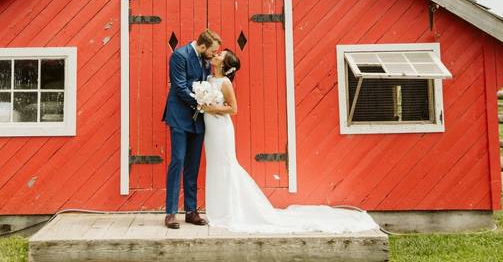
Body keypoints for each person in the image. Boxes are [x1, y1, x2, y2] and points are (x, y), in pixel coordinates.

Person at [200, 48, 380, 233]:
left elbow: (233, 109)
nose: (216, 55)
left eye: (220, 55)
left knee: (226, 165)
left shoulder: (225, 82)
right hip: (211, 130)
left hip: (221, 129)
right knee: (215, 166)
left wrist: (211, 108)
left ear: (224, 64)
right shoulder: (208, 80)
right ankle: (219, 210)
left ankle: (231, 211)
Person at [161, 28, 221, 229]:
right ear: (202, 46)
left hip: (198, 120)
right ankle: (170, 213)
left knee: (193, 165)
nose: (213, 55)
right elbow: (179, 87)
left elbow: (208, 82)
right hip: (179, 116)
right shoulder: (179, 56)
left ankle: (191, 211)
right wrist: (201, 102)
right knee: (178, 161)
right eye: (212, 51)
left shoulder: (205, 59)